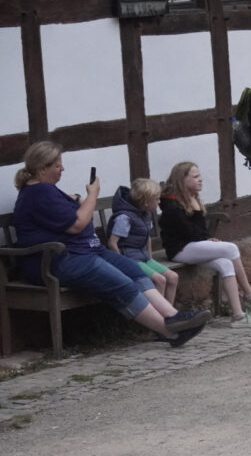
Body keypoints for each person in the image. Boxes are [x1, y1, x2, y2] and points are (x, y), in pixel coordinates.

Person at [12, 141, 209, 347]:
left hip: (86, 251)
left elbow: (76, 214)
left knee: (133, 270)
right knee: (121, 283)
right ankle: (170, 332)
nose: (62, 169)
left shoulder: (46, 190)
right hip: (60, 260)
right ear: (42, 168)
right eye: (57, 165)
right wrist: (92, 195)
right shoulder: (39, 192)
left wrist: (77, 199)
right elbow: (78, 224)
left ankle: (173, 316)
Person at [159, 161, 251, 329]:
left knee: (226, 263)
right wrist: (204, 235)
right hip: (180, 249)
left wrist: (208, 238)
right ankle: (250, 295)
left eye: (200, 176)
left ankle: (238, 316)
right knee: (231, 249)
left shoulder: (191, 197)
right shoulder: (172, 204)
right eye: (195, 176)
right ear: (182, 180)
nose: (200, 179)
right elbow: (188, 232)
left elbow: (200, 230)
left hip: (193, 246)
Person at [108, 178, 178, 303]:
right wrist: (122, 264)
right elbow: (112, 243)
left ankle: (170, 311)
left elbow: (147, 237)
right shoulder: (124, 218)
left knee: (173, 277)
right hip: (130, 259)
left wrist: (149, 258)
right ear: (146, 202)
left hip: (143, 257)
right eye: (157, 199)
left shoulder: (145, 214)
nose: (159, 201)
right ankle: (159, 313)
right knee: (159, 280)